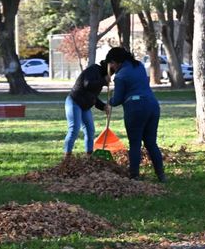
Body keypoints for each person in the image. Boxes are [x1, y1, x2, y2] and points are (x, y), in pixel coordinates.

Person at [105, 47, 166, 182]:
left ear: (116, 61)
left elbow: (118, 100)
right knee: (151, 143)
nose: (112, 67)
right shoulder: (139, 66)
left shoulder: (120, 76)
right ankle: (161, 175)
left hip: (135, 108)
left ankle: (134, 176)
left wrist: (109, 101)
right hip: (153, 105)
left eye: (112, 64)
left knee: (135, 143)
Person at [64, 60, 111, 159]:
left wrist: (103, 106)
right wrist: (103, 81)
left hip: (85, 106)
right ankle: (67, 157)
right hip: (74, 102)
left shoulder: (100, 78)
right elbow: (87, 84)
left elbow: (93, 96)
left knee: (90, 130)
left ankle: (89, 156)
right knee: (74, 129)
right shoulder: (93, 69)